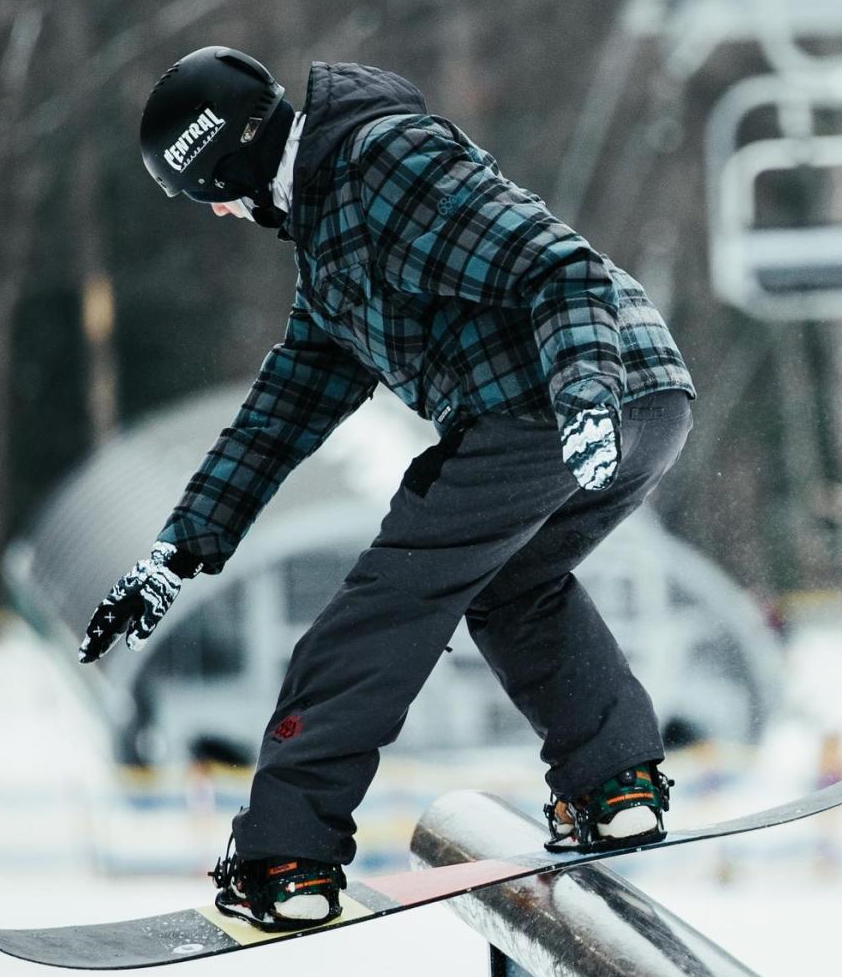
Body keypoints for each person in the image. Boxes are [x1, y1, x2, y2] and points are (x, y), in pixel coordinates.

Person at [79, 48, 695, 929]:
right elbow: (277, 418)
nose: (217, 211)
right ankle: (615, 783)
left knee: (381, 611)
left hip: (559, 401)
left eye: (209, 191)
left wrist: (584, 395)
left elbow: (561, 268)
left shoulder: (384, 164)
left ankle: (287, 856)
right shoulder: (335, 246)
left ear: (232, 161)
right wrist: (177, 555)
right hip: (636, 404)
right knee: (514, 587)